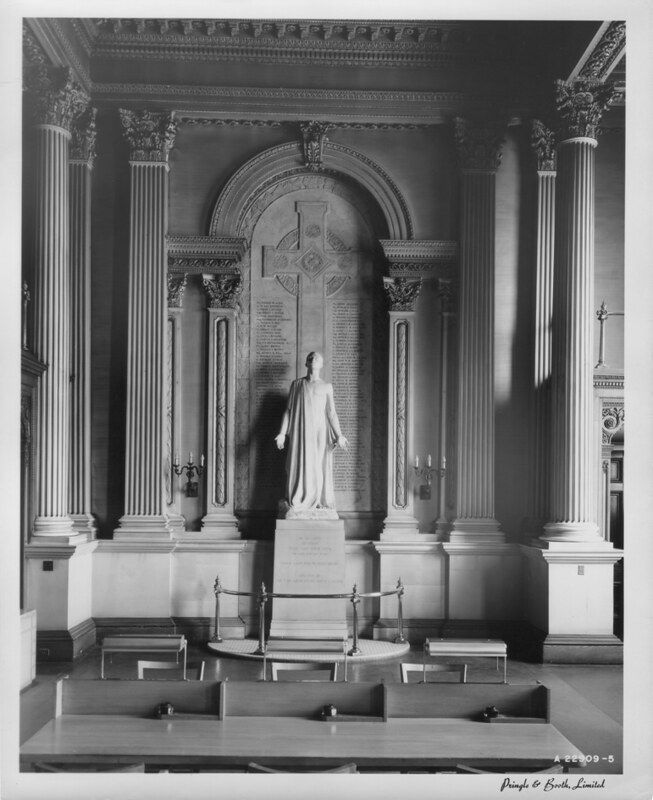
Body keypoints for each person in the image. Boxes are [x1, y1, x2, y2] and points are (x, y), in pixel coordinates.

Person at [275, 352, 348, 516]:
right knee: (299, 463)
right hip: (301, 429)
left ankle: (317, 500)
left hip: (319, 431)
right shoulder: (297, 385)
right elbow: (288, 411)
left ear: (321, 364)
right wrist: (282, 433)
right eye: (310, 358)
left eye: (317, 358)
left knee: (317, 464)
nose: (313, 359)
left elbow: (331, 413)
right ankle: (299, 498)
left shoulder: (327, 386)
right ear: (306, 363)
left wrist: (339, 435)